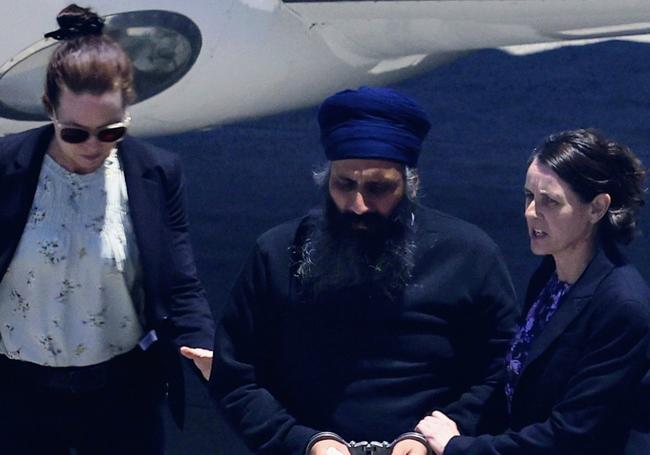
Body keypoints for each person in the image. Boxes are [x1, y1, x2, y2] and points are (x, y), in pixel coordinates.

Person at [210, 87, 519, 455]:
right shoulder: (277, 254)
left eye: (378, 188)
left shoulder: (469, 254)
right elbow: (236, 377)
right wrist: (304, 443)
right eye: (345, 184)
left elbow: (505, 370)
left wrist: (438, 436)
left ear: (409, 184)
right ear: (327, 180)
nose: (359, 205)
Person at [0, 4, 215, 454]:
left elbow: (179, 277)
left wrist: (202, 343)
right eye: (75, 133)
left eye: (111, 131)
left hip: (120, 391)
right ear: (48, 111)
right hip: (18, 391)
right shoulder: (6, 166)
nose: (94, 146)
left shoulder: (157, 173)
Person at [416, 129, 650, 455]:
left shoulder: (622, 306)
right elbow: (513, 380)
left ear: (597, 208)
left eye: (550, 202)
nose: (530, 212)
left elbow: (571, 435)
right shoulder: (550, 277)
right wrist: (438, 426)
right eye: (529, 197)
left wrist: (458, 447)